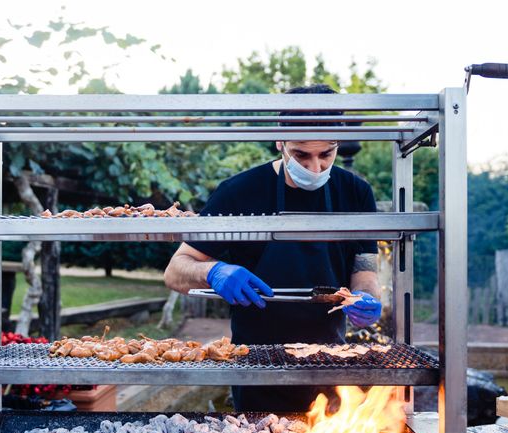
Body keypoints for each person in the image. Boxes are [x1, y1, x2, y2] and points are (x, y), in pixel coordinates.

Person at [164, 84, 382, 412]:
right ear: (279, 141)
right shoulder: (239, 192)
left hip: (330, 364)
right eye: (301, 155)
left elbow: (363, 270)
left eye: (326, 154)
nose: (315, 168)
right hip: (255, 368)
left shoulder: (356, 192)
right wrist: (213, 271)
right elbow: (176, 270)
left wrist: (367, 297)